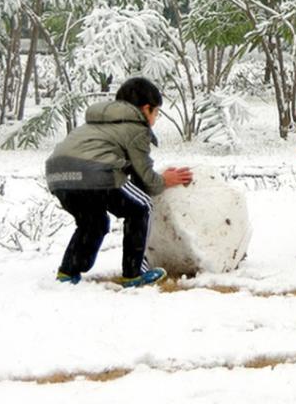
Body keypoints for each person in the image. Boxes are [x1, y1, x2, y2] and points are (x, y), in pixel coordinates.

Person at [45, 77, 192, 287]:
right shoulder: (136, 127)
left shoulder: (94, 124)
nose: (156, 118)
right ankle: (134, 274)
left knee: (93, 223)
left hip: (58, 176)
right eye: (156, 112)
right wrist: (164, 180)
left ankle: (68, 272)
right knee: (141, 207)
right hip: (97, 173)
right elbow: (145, 177)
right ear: (146, 108)